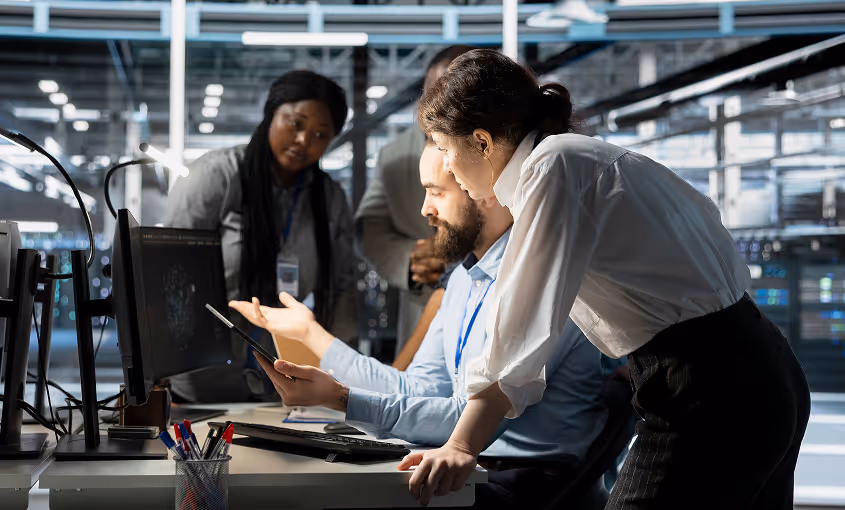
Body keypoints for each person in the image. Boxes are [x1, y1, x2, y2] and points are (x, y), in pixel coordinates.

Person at [399, 49, 811, 509]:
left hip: (707, 387)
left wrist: (460, 447)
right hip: (760, 366)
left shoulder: (550, 168)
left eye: (443, 148)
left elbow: (521, 328)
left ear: (480, 141)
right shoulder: (579, 157)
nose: (447, 167)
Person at [230, 139, 609, 509]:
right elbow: (419, 387)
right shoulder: (463, 280)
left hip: (532, 483)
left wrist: (342, 399)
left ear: (486, 188)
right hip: (477, 468)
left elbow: (467, 419)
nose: (425, 209)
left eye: (437, 192)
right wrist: (310, 333)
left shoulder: (544, 276)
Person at [164, 71, 357, 403]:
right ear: (272, 114)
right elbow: (169, 273)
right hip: (202, 381)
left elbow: (343, 287)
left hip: (283, 383)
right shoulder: (217, 176)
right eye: (295, 123)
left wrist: (334, 368)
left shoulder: (329, 198)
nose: (303, 141)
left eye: (320, 134)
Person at [356, 45, 475, 356]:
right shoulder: (394, 155)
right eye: (434, 91)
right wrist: (409, 259)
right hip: (424, 299)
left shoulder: (505, 152)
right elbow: (371, 226)